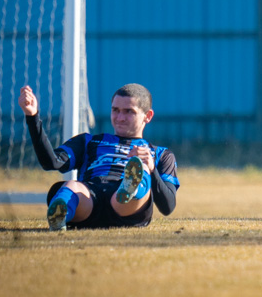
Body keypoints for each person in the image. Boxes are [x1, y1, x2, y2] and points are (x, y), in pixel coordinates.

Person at [18, 83, 180, 231]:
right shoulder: (89, 141)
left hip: (126, 208)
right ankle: (60, 216)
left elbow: (168, 206)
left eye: (129, 111)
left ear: (148, 116)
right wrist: (33, 118)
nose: (120, 118)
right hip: (90, 199)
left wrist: (152, 170)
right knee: (71, 186)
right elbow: (51, 162)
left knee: (141, 167)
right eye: (115, 110)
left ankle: (130, 186)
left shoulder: (160, 154)